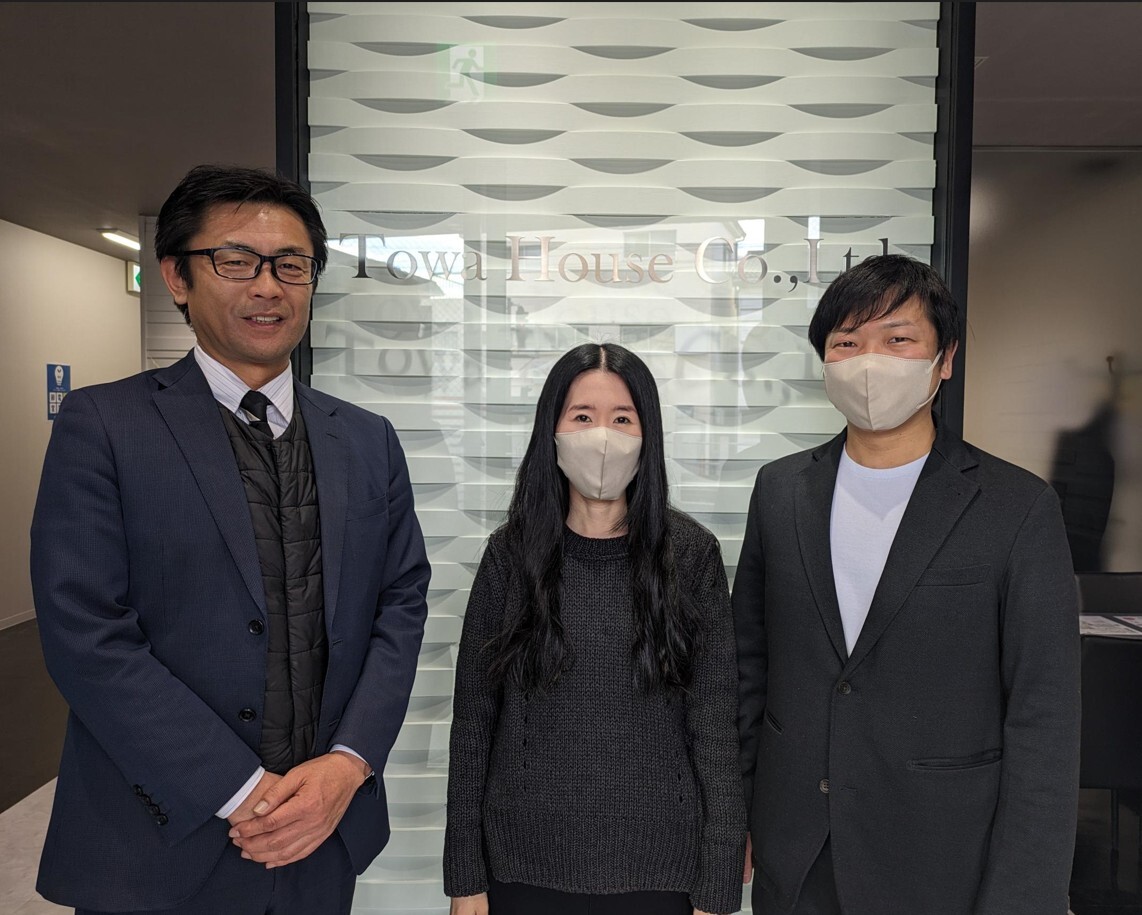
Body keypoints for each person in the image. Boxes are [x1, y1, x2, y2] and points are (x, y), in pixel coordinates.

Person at [30, 164, 431, 914]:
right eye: (236, 260)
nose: (268, 286)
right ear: (177, 277)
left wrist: (347, 765)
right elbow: (85, 632)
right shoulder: (105, 425)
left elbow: (401, 603)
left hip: (321, 835)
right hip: (158, 845)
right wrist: (239, 788)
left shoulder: (367, 439)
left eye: (291, 264)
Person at [732, 254, 1081, 915]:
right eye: (847, 342)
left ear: (945, 359)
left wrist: (1025, 894)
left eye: (897, 339)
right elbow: (750, 667)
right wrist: (736, 815)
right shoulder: (780, 490)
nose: (870, 362)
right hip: (799, 851)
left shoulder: (1017, 507)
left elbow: (1044, 717)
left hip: (942, 859)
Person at [443, 343, 745, 915]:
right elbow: (474, 724)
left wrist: (719, 884)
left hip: (662, 870)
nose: (602, 436)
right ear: (552, 431)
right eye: (582, 416)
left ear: (648, 434)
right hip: (522, 865)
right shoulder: (509, 556)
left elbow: (714, 727)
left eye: (622, 419)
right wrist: (464, 877)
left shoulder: (691, 555)